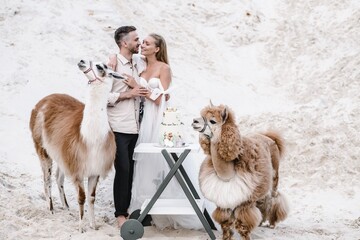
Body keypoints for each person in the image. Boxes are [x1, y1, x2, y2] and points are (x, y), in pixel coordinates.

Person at [112, 33, 203, 230]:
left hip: (157, 119)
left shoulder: (164, 68)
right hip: (142, 120)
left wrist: (137, 86)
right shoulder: (141, 64)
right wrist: (112, 58)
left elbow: (162, 98)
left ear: (157, 48)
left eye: (147, 43)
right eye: (141, 42)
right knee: (143, 166)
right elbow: (121, 54)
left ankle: (161, 206)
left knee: (160, 163)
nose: (142, 45)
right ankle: (144, 208)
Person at [107, 25, 149, 228]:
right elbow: (102, 97)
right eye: (135, 39)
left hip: (138, 127)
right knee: (123, 169)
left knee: (134, 169)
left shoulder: (139, 61)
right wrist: (127, 94)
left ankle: (131, 208)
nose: (139, 43)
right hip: (118, 127)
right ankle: (120, 214)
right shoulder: (111, 65)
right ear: (124, 43)